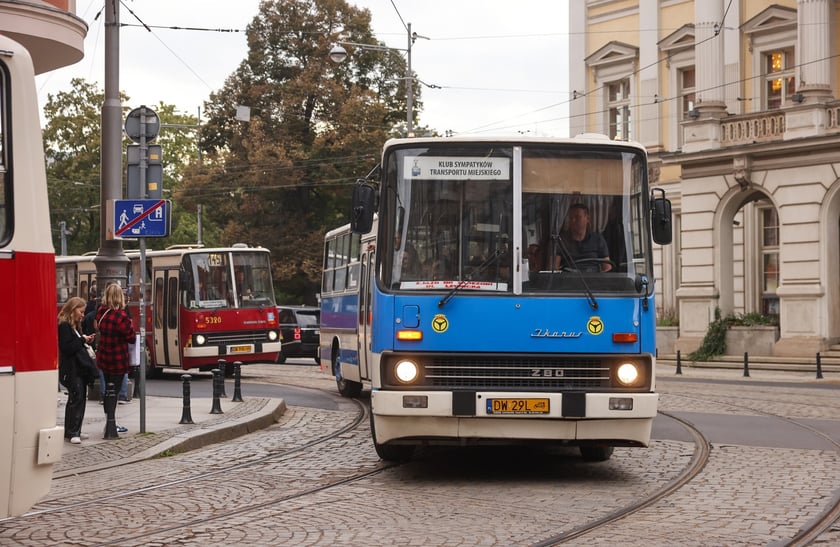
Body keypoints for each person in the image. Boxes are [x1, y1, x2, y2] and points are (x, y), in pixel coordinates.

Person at [95, 284, 136, 434]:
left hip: (104, 356)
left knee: (108, 390)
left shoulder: (101, 312)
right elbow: (131, 337)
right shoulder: (120, 316)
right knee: (115, 390)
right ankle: (111, 424)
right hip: (117, 358)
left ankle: (109, 420)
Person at [58, 297, 96, 444]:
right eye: (81, 311)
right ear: (73, 310)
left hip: (78, 368)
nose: (82, 315)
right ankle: (73, 431)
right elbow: (67, 347)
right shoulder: (64, 326)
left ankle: (75, 430)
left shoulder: (74, 326)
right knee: (77, 397)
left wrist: (84, 339)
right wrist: (82, 340)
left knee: (78, 398)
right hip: (71, 369)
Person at [558, 203, 612, 272]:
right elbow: (553, 269)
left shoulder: (598, 239)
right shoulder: (561, 240)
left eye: (577, 217)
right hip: (569, 279)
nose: (573, 220)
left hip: (593, 280)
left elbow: (607, 267)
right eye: (571, 218)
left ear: (588, 219)